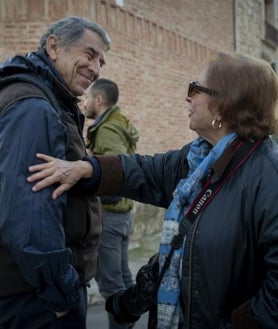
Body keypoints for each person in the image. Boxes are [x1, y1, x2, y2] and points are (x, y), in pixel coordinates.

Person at [27, 52, 278, 329]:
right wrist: (87, 169)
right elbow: (148, 171)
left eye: (195, 89)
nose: (188, 97)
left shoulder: (268, 174)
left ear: (222, 106)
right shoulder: (199, 158)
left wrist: (239, 323)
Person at [0, 16, 111, 328]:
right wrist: (61, 295)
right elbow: (29, 216)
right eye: (89, 55)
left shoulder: (46, 100)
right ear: (53, 46)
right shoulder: (35, 107)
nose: (96, 69)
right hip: (35, 299)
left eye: (101, 62)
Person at [84, 78, 139, 329]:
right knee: (123, 279)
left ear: (98, 100)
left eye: (87, 98)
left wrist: (89, 168)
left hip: (111, 215)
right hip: (122, 215)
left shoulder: (106, 129)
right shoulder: (117, 123)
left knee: (111, 285)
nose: (84, 103)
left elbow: (116, 173)